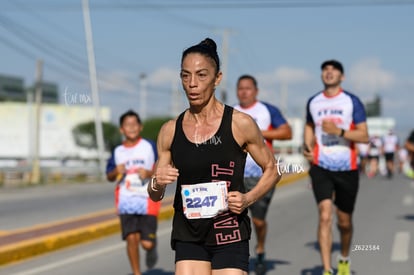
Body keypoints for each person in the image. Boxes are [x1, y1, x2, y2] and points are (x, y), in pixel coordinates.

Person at [147, 38, 281, 275]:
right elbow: (155, 195)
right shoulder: (170, 130)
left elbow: (272, 169)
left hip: (228, 230)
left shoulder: (239, 124)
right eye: (185, 76)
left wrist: (248, 199)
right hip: (188, 232)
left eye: (201, 75)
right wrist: (156, 182)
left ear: (217, 78)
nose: (192, 84)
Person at [303, 60, 369, 275]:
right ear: (322, 75)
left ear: (342, 77)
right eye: (325, 70)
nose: (329, 73)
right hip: (321, 165)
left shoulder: (351, 101)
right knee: (324, 214)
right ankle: (326, 269)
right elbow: (309, 126)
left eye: (334, 70)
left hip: (347, 166)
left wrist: (339, 132)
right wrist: (307, 145)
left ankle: (344, 259)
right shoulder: (313, 101)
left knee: (344, 221)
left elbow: (364, 135)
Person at [233, 74, 292, 274]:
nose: (243, 92)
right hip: (234, 174)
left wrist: (256, 133)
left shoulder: (267, 111)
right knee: (233, 217)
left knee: (257, 220)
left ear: (256, 91)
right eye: (240, 88)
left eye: (248, 88)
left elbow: (287, 132)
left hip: (261, 174)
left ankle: (260, 249)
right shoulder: (231, 112)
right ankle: (235, 257)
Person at [106, 110, 160, 275]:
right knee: (131, 238)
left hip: (148, 198)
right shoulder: (117, 151)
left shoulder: (149, 145)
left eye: (134, 124)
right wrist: (116, 170)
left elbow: (162, 163)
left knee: (146, 244)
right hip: (126, 199)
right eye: (127, 125)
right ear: (121, 129)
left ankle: (152, 247)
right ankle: (136, 273)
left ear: (140, 127)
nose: (131, 127)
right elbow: (109, 176)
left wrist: (150, 173)